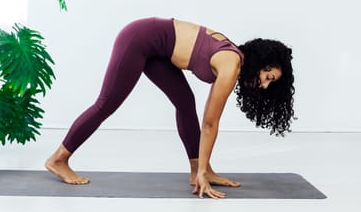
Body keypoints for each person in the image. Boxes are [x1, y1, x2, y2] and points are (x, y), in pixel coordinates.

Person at [45, 17, 295, 199]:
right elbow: (210, 123)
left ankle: (199, 168)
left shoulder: (233, 58)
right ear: (260, 63)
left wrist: (205, 170)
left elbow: (208, 117)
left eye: (269, 83)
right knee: (106, 104)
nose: (263, 85)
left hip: (159, 52)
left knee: (186, 103)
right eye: (267, 77)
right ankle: (58, 159)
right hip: (139, 38)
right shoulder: (231, 65)